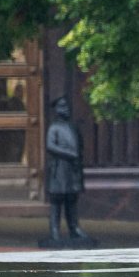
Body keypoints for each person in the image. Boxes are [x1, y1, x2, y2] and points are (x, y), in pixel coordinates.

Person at [45, 96, 88, 241]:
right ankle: (54, 230)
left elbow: (80, 145)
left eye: (67, 106)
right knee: (57, 201)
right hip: (60, 170)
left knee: (71, 200)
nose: (66, 109)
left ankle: (74, 228)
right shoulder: (54, 127)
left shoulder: (72, 126)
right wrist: (70, 154)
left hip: (72, 170)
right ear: (56, 110)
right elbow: (50, 146)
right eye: (62, 106)